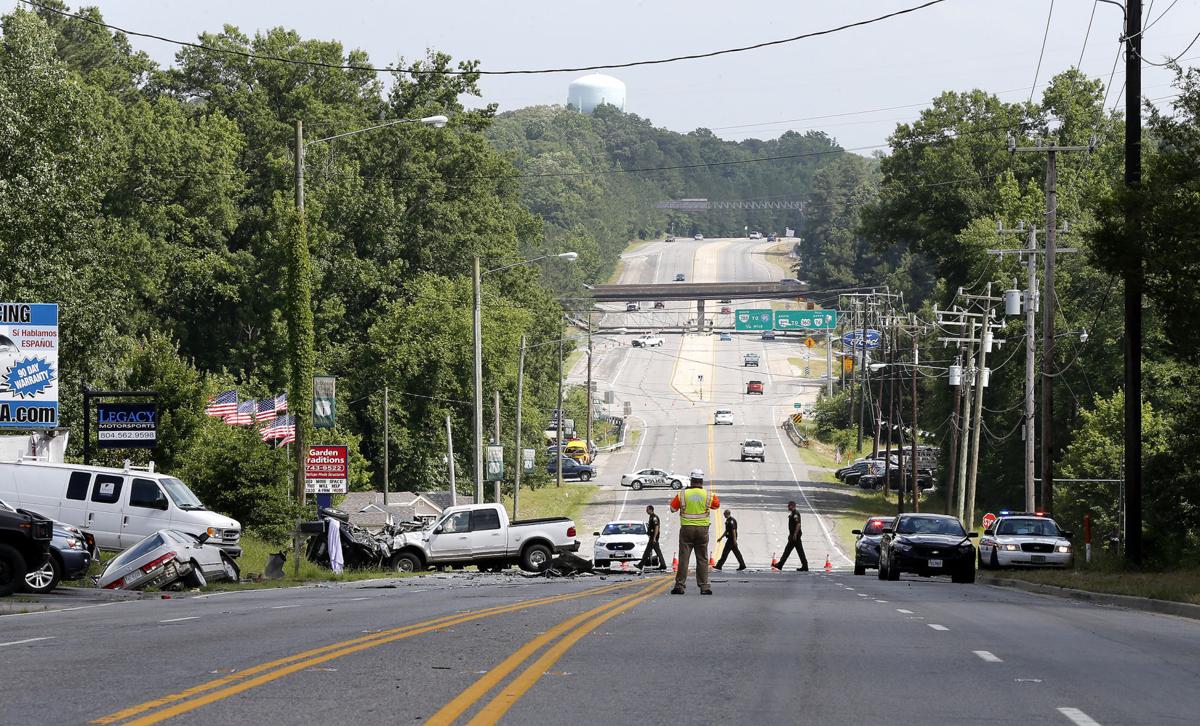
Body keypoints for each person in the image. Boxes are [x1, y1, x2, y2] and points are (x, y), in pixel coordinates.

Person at [669, 469, 719, 595]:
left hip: (686, 530)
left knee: (684, 558)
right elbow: (716, 506)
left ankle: (680, 586)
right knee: (702, 558)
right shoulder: (708, 495)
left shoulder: (682, 494)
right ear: (701, 481)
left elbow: (672, 508)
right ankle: (704, 587)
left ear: (691, 480)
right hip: (702, 530)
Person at [772, 500, 809, 572]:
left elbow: (798, 524)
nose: (788, 507)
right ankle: (805, 566)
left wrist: (795, 534)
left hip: (795, 536)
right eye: (788, 505)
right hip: (793, 535)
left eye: (789, 505)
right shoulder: (793, 514)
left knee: (788, 551)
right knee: (797, 551)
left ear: (793, 506)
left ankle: (780, 565)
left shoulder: (795, 514)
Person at [637, 505, 666, 571]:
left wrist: (654, 538)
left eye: (647, 510)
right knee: (657, 552)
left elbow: (656, 528)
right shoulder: (651, 517)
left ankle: (640, 565)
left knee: (647, 552)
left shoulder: (654, 517)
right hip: (652, 537)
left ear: (651, 510)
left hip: (653, 538)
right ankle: (663, 565)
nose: (646, 511)